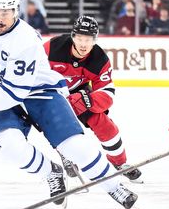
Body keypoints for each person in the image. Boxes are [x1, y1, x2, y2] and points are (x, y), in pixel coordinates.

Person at [0, 0, 138, 209]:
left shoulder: (26, 40)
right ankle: (51, 172)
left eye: (6, 13)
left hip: (39, 91)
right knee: (10, 148)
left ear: (16, 11)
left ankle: (113, 185)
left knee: (75, 146)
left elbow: (13, 93)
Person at [43, 15, 142, 183]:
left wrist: (84, 101)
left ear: (95, 40)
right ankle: (64, 151)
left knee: (103, 124)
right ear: (73, 36)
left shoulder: (99, 59)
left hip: (79, 93)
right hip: (49, 93)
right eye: (80, 38)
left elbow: (107, 93)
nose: (83, 44)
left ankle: (119, 163)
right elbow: (33, 73)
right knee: (56, 124)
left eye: (88, 39)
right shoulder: (52, 47)